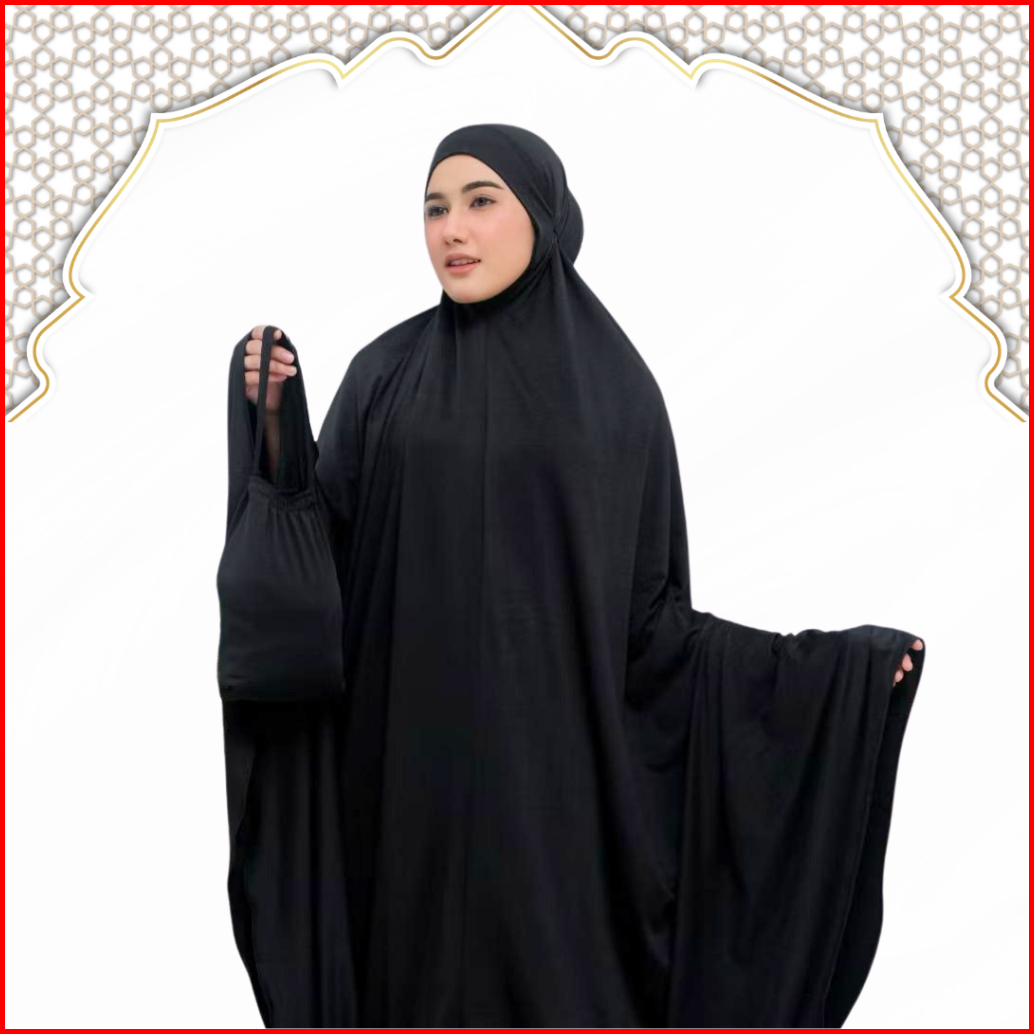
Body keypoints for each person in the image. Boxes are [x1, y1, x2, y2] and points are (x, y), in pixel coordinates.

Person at [219, 123, 925, 1028]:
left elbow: (653, 627)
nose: (452, 230)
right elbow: (318, 585)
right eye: (434, 208)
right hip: (403, 789)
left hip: (552, 796)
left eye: (481, 201)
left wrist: (832, 673)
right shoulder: (382, 377)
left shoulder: (615, 392)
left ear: (543, 215)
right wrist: (276, 439)